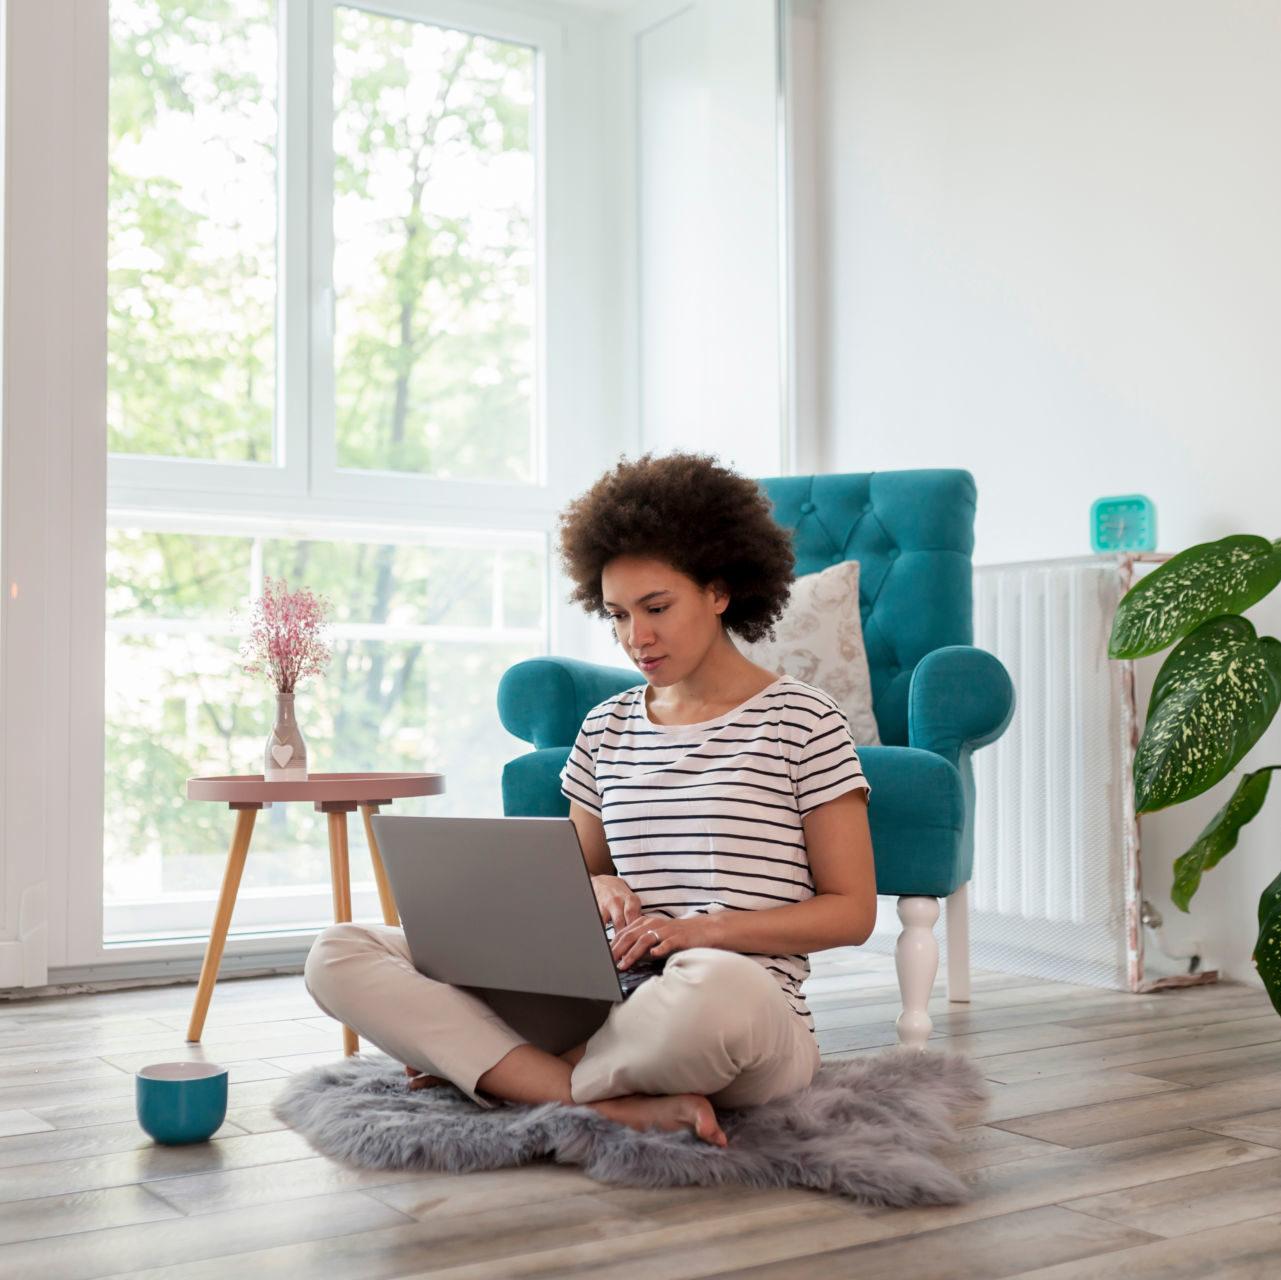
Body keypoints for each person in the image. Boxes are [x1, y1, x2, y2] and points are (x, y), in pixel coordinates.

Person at [303, 451, 877, 1146]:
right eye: (617, 615)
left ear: (719, 591)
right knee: (339, 951)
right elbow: (573, 875)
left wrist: (701, 931)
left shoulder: (802, 721)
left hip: (734, 1010)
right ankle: (592, 1096)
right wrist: (598, 888)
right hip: (606, 1003)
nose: (637, 637)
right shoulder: (605, 728)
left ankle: (507, 1076)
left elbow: (852, 912)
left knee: (712, 988)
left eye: (657, 607)